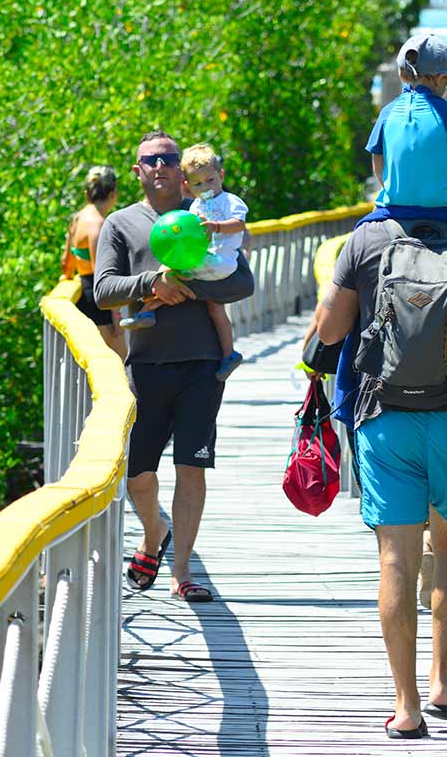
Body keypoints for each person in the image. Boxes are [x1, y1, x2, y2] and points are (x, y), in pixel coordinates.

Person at [314, 221, 447, 738]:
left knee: (395, 558)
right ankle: (443, 685)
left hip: (387, 420)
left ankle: (406, 706)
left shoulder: (367, 239)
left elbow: (327, 331)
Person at [93, 130, 255, 602]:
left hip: (202, 363)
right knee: (138, 473)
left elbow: (242, 282)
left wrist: (189, 288)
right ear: (137, 170)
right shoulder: (120, 225)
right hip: (145, 362)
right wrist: (152, 284)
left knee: (192, 466)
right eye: (151, 160)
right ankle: (153, 532)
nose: (161, 166)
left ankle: (181, 572)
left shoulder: (205, 214)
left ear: (182, 171)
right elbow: (103, 291)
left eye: (169, 159)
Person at [367, 34, 447, 220]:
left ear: (401, 74)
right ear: (441, 78)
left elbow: (377, 160)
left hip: (396, 200)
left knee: (360, 236)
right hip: (443, 197)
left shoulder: (387, 112)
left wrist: (391, 189)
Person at [180, 143, 247, 382]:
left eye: (210, 180)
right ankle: (229, 354)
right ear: (188, 186)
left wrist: (215, 226)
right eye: (198, 184)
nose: (205, 188)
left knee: (176, 277)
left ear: (221, 175)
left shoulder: (230, 201)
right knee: (214, 307)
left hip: (222, 262)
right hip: (209, 262)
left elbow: (239, 224)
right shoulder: (196, 206)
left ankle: (150, 307)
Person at [61, 166, 127, 361]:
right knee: (120, 363)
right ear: (113, 193)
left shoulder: (77, 218)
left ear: (87, 193)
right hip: (100, 302)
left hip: (83, 294)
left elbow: (66, 262)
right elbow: (102, 274)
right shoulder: (98, 224)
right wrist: (115, 314)